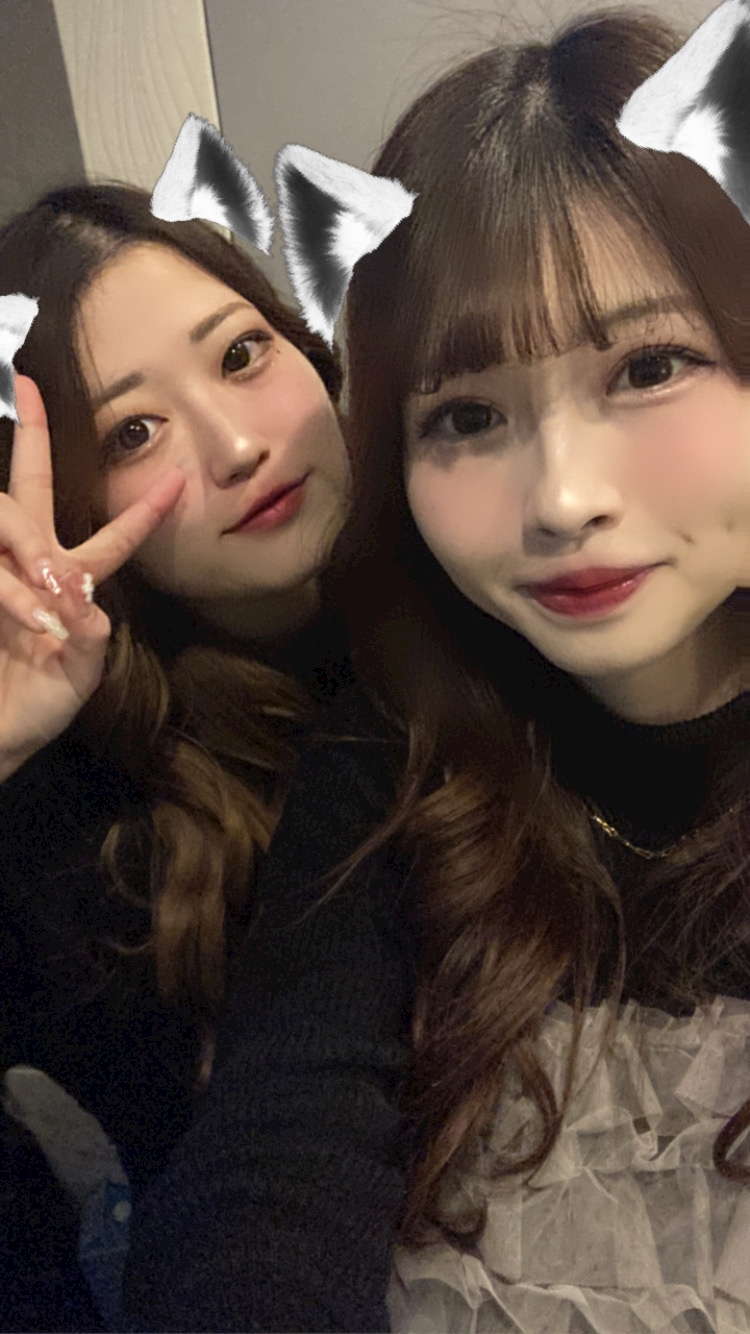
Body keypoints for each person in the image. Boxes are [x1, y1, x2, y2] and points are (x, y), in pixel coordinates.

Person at [121, 9, 750, 1334]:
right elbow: (272, 1168)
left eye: (649, 365)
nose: (562, 498)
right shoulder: (393, 756)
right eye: (465, 414)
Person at [0, 181, 357, 1329]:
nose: (240, 445)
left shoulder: (508, 582)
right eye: (133, 431)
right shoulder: (80, 813)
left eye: (243, 354)